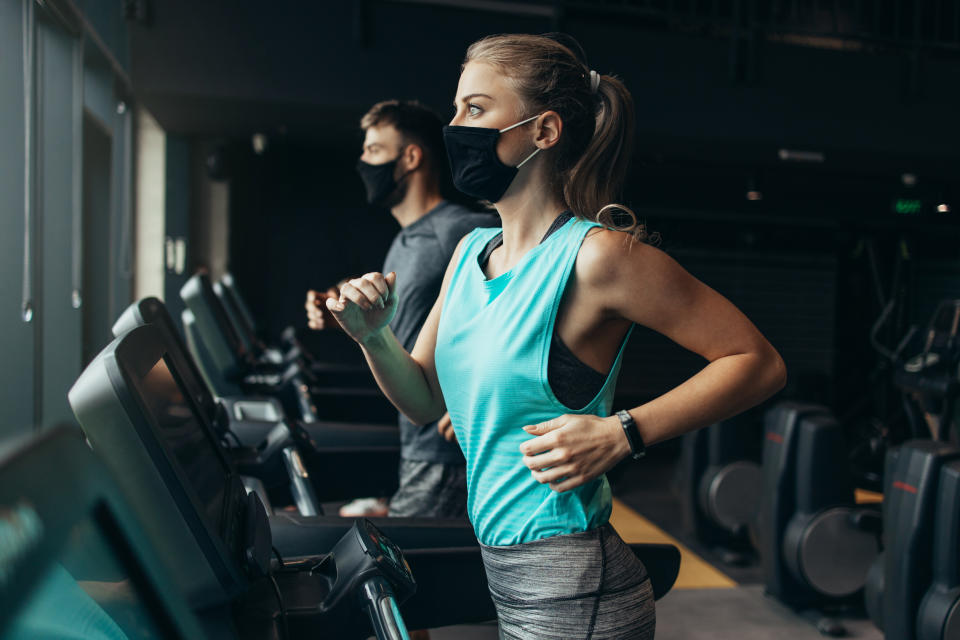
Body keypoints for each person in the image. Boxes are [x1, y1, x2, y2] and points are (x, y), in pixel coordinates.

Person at [325, 34, 787, 639]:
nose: (455, 127)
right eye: (458, 107)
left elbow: (757, 361)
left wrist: (626, 432)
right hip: (509, 576)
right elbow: (421, 401)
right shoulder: (468, 255)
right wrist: (372, 336)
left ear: (543, 131)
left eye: (477, 109)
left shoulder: (599, 258)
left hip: (577, 589)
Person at [305, 100, 497, 519]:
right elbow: (411, 320)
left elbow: (533, 302)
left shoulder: (460, 230)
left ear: (410, 157)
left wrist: (481, 395)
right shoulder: (407, 239)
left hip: (443, 453)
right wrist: (342, 310)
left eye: (374, 151)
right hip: (416, 439)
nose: (363, 163)